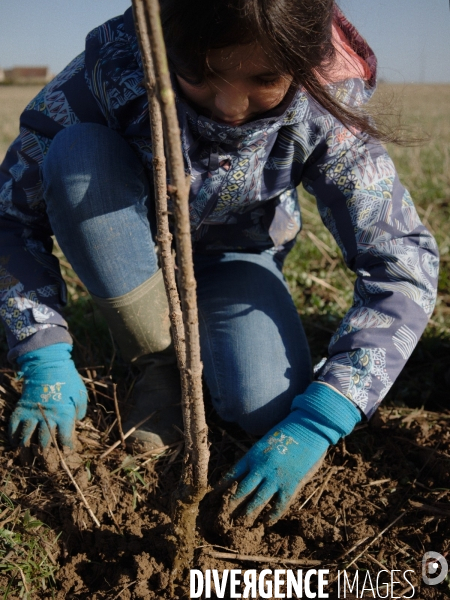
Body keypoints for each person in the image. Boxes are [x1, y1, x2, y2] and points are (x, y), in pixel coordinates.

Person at [0, 0, 439, 524]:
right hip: (129, 247)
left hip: (240, 255)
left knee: (266, 406)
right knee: (76, 155)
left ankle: (208, 334)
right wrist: (40, 348)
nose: (231, 106)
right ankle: (155, 361)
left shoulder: (326, 101)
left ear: (302, 60)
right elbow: (9, 218)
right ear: (167, 49)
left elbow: (402, 266)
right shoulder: (110, 71)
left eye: (265, 78)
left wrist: (323, 417)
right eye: (201, 76)